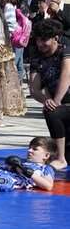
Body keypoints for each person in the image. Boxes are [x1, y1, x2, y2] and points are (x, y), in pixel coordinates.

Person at [30, 19, 70, 170]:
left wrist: (56, 101)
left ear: (56, 38)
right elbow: (34, 89)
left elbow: (66, 76)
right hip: (63, 108)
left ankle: (61, 159)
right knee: (51, 110)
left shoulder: (65, 51)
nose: (40, 44)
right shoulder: (37, 57)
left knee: (53, 112)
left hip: (65, 103)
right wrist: (47, 100)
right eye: (38, 40)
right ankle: (63, 155)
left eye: (44, 40)